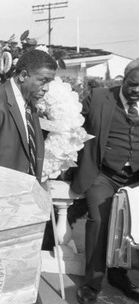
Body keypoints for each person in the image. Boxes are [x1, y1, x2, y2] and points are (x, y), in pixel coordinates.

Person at [71, 58, 139, 304]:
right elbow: (71, 123)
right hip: (103, 174)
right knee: (99, 220)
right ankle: (91, 285)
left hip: (136, 179)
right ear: (124, 79)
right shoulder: (99, 97)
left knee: (132, 228)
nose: (137, 90)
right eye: (133, 84)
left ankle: (120, 276)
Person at [0, 49, 57, 181]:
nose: (47, 88)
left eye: (49, 82)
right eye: (43, 81)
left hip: (25, 194)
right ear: (23, 76)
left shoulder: (30, 104)